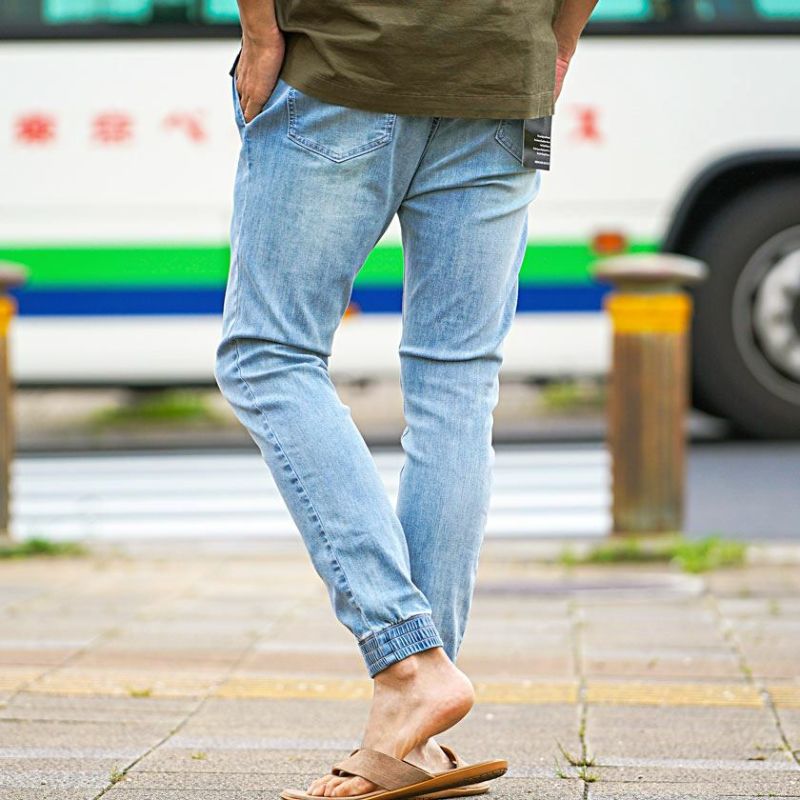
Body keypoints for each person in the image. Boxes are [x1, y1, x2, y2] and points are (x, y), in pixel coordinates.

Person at [214, 0, 596, 797]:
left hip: (348, 61)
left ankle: (409, 665)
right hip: (501, 73)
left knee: (268, 356)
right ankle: (414, 733)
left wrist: (259, 34)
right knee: (456, 382)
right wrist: (554, 46)